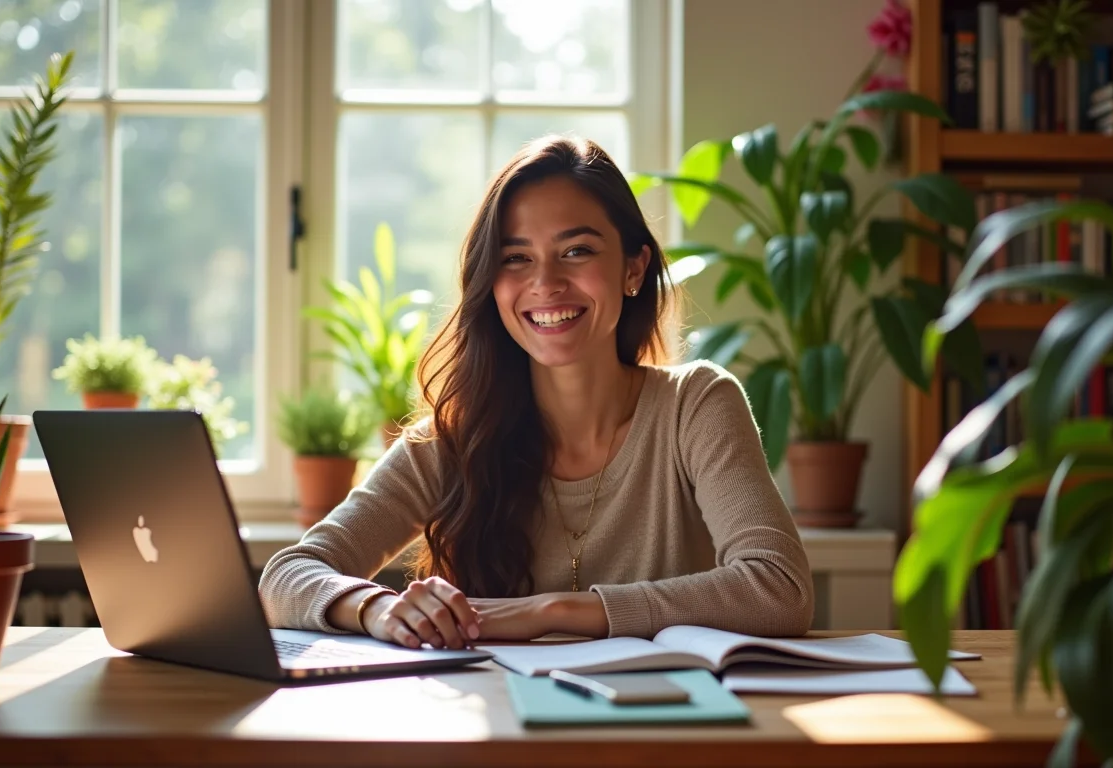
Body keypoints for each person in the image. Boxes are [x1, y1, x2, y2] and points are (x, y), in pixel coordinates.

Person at [259, 136, 814, 650]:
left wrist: (550, 612)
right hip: (496, 739)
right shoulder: (455, 440)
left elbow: (779, 587)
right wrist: (376, 608)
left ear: (634, 268)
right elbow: (286, 575)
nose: (545, 282)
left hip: (659, 743)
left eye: (576, 251)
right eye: (516, 258)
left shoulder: (695, 405)